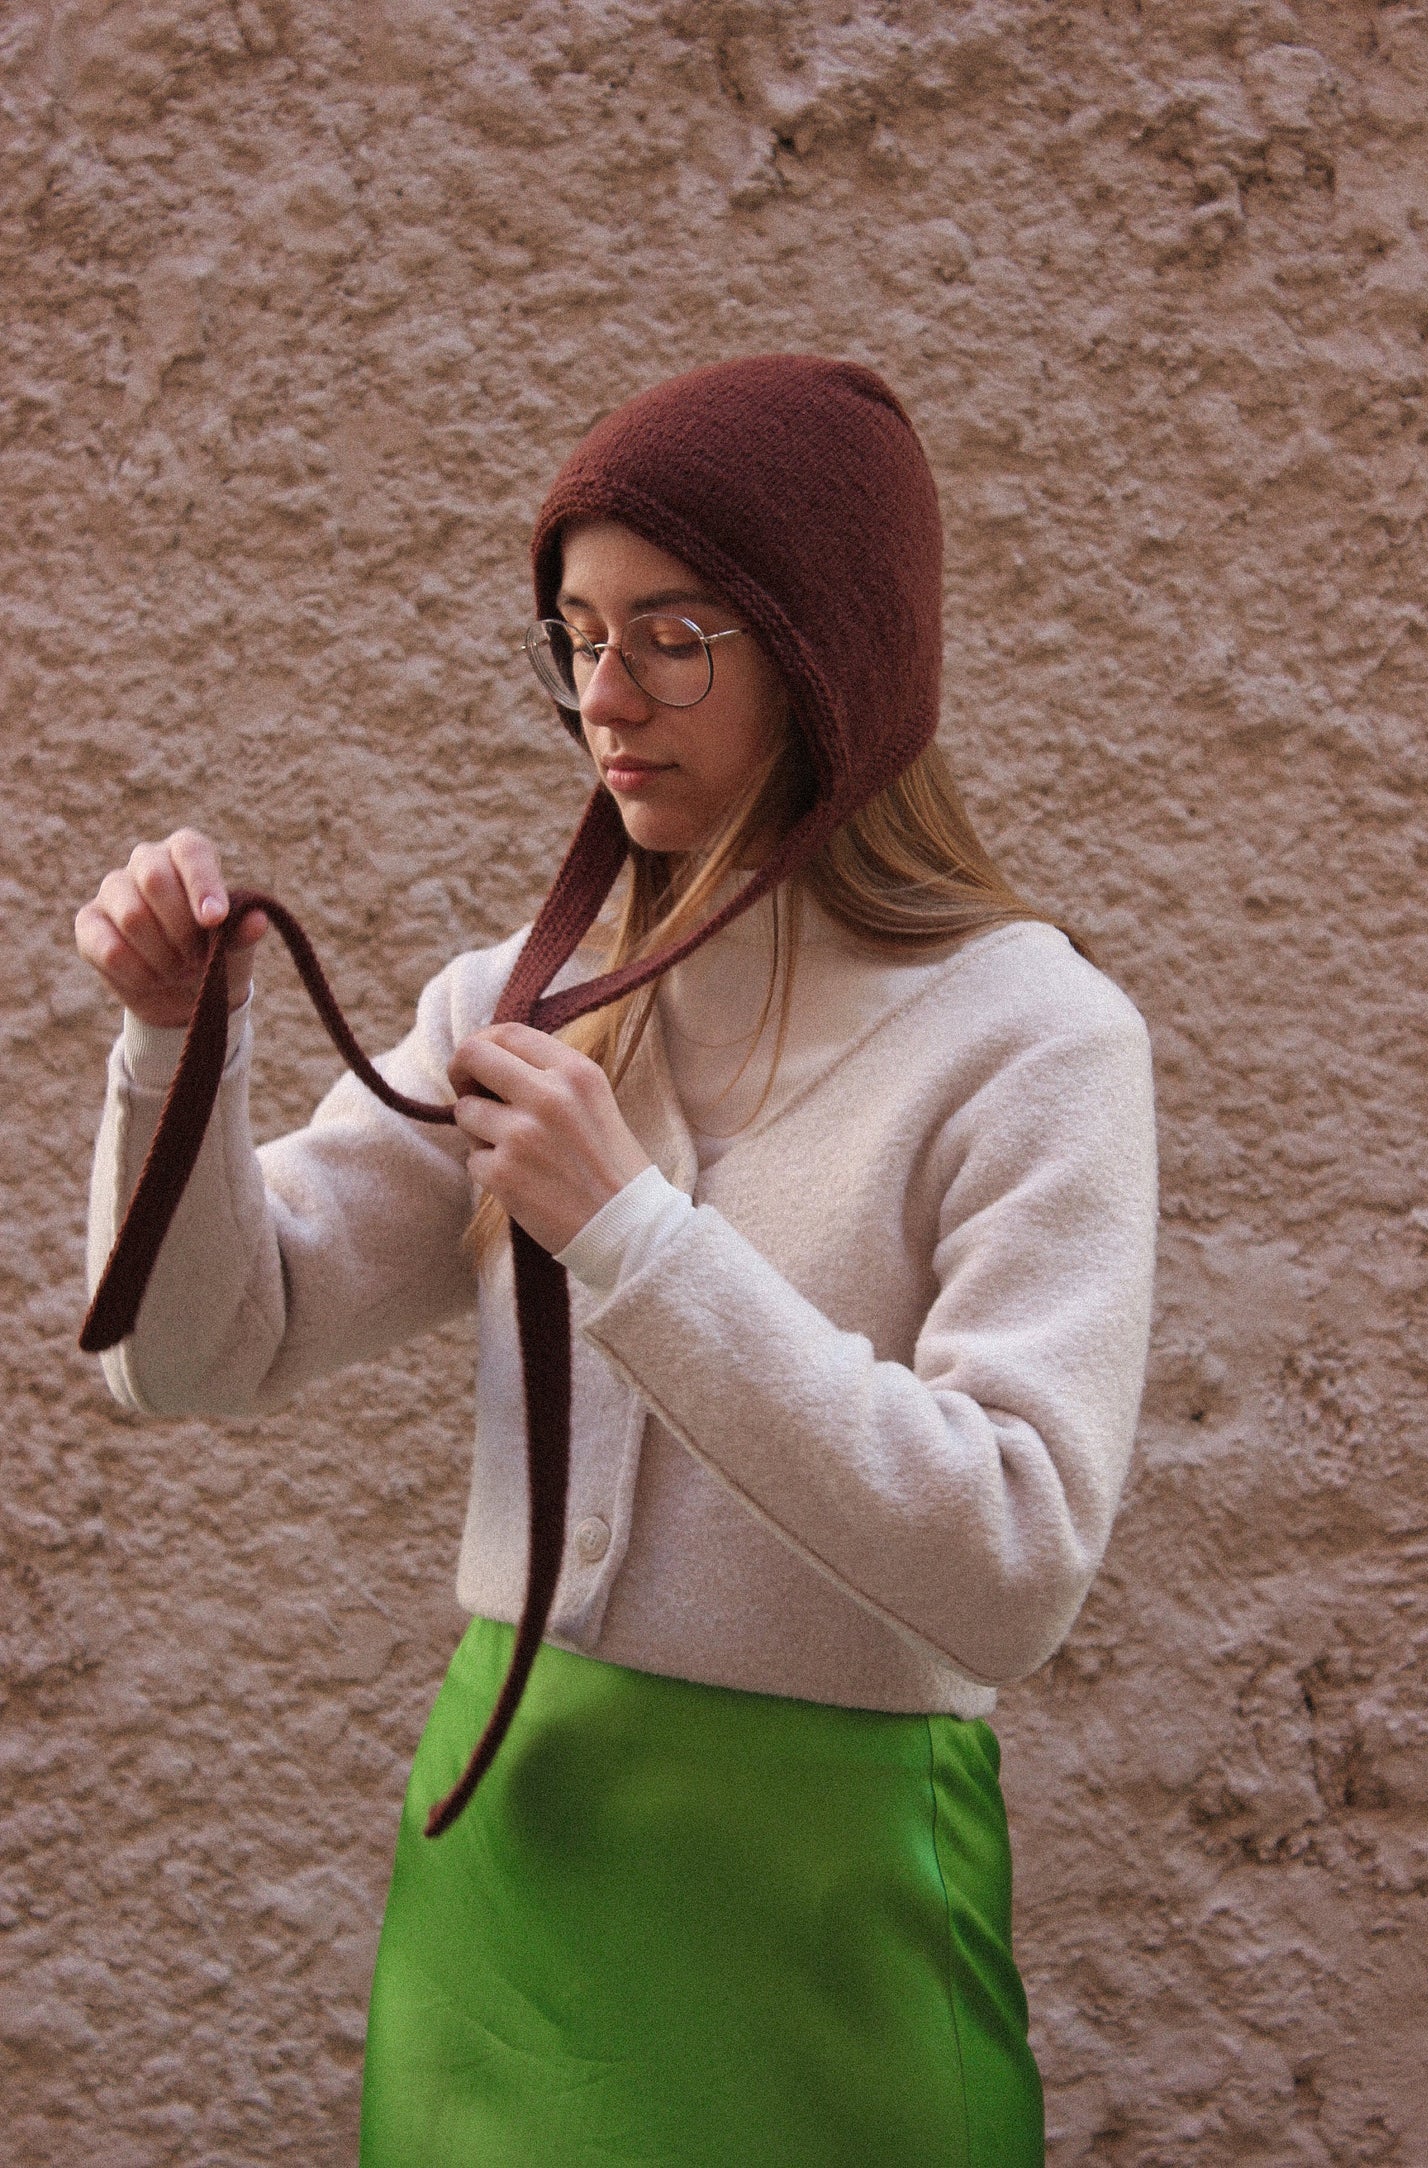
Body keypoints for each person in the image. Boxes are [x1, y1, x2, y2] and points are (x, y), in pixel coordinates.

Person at [77, 356, 1157, 2167]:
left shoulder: (1035, 1040)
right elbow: (187, 1357)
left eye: (674, 636)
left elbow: (1009, 1568)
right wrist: (177, 1045)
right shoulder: (516, 1008)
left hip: (826, 1909)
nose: (605, 695)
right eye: (577, 636)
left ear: (828, 653)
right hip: (503, 1874)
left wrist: (630, 1237)